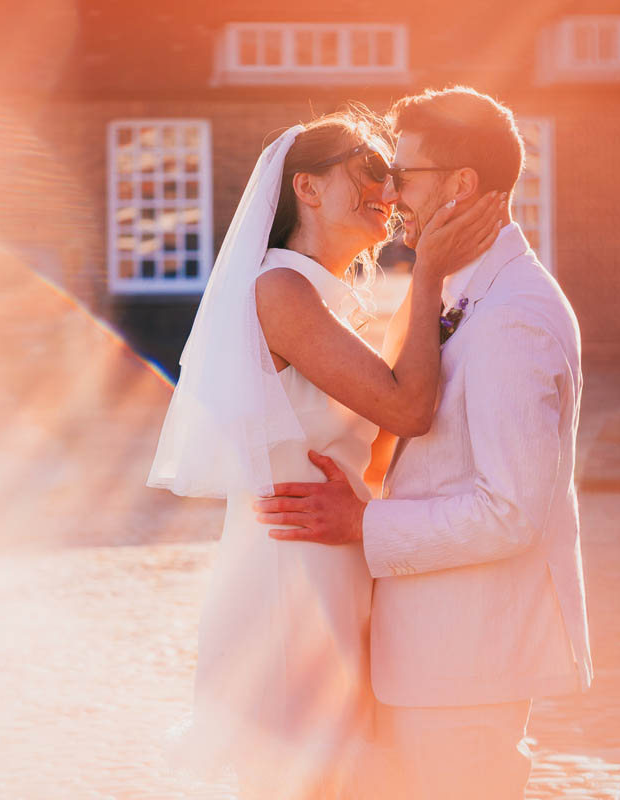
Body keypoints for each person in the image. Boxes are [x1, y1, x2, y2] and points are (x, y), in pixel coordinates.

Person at [147, 107, 504, 798]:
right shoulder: (281, 289)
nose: (389, 190)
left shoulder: (330, 298)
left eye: (393, 174)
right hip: (287, 571)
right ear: (306, 190)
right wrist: (427, 272)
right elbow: (407, 406)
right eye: (367, 171)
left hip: (333, 555)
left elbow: (383, 441)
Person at [255, 86, 594, 799]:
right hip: (424, 659)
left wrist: (363, 522)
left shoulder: (512, 318)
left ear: (462, 185)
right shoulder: (461, 294)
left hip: (465, 666)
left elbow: (510, 511)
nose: (391, 191)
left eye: (405, 175)